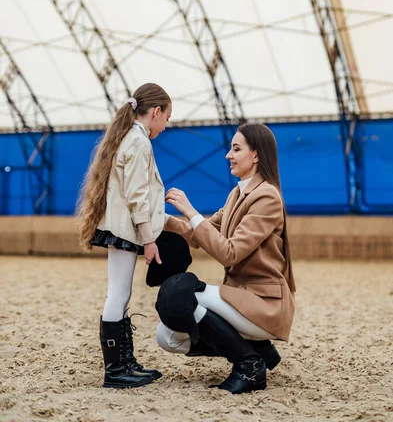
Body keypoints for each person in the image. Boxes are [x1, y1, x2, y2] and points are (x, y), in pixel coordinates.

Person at [156, 122, 296, 394]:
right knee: (167, 337)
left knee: (181, 296)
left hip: (264, 303)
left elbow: (228, 252)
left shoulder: (267, 196)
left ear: (256, 155)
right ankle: (255, 349)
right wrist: (160, 219)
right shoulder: (237, 193)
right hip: (239, 297)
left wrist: (190, 209)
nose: (228, 155)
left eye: (236, 149)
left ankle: (249, 364)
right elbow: (200, 235)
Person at [77, 82, 172, 389]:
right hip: (125, 229)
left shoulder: (129, 138)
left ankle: (124, 363)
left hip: (120, 227)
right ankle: (116, 370)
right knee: (118, 294)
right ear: (156, 113)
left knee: (121, 294)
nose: (166, 125)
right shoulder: (139, 142)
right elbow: (137, 196)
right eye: (167, 118)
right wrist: (149, 239)